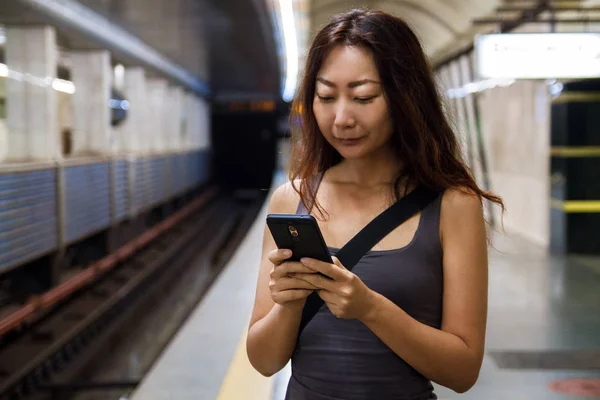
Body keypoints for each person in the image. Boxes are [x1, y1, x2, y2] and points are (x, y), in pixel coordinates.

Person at [246, 8, 504, 400]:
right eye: (326, 97)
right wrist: (289, 305)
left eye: (363, 97)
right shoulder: (293, 198)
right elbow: (264, 362)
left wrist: (370, 308)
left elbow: (463, 371)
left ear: (405, 97)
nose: (341, 118)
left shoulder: (452, 205)